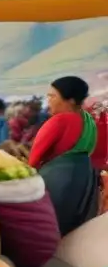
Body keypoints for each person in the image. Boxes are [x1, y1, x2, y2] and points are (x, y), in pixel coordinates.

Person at [28, 76, 102, 235]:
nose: (48, 100)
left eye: (53, 96)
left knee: (47, 228)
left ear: (71, 100)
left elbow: (33, 159)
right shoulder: (89, 121)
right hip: (84, 181)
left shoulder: (59, 120)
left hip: (57, 182)